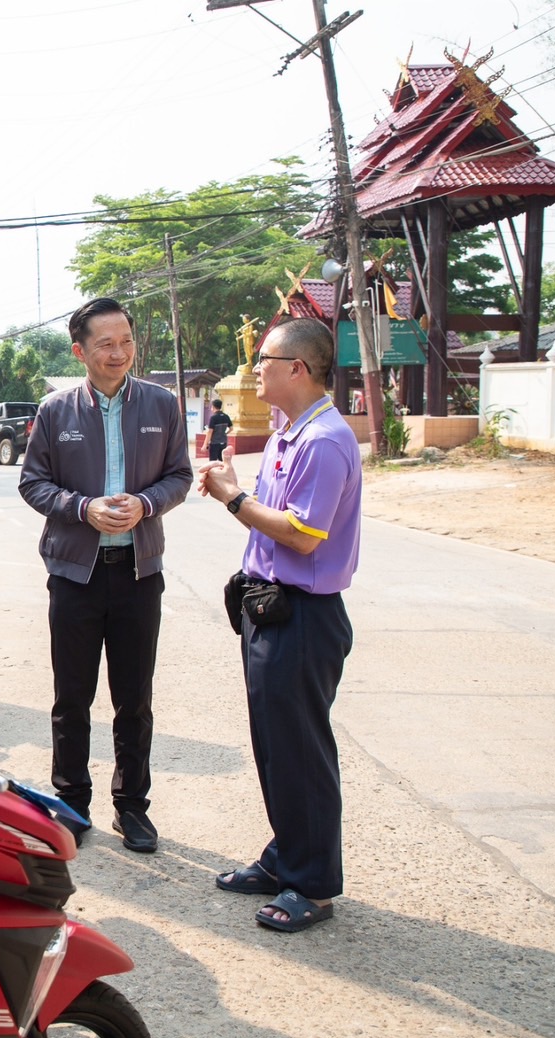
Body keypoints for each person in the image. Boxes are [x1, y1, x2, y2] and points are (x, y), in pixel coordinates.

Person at [196, 316, 362, 933]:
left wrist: (233, 499)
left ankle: (312, 884)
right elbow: (274, 514)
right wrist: (237, 489)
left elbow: (302, 534)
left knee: (301, 750)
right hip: (269, 605)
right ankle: (286, 857)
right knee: (275, 745)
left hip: (304, 614)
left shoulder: (324, 441)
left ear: (297, 368)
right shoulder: (289, 432)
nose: (253, 369)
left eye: (263, 360)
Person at [18, 297, 193, 853]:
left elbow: (180, 475)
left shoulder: (161, 404)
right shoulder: (56, 411)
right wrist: (82, 508)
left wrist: (146, 503)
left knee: (134, 698)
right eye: (106, 344)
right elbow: (32, 483)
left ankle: (132, 807)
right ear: (80, 352)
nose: (119, 353)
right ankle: (71, 803)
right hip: (76, 576)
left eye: (126, 342)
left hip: (139, 573)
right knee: (71, 697)